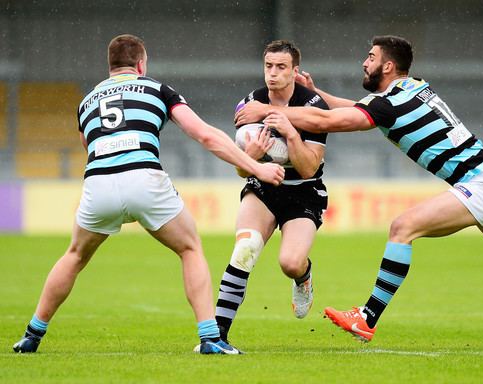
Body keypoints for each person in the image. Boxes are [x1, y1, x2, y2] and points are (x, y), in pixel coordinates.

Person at [235, 35, 483, 348]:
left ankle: (367, 317)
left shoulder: (389, 103)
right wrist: (318, 94)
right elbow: (358, 109)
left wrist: (269, 110)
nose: (364, 62)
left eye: (370, 57)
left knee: (403, 228)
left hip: (481, 184)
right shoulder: (412, 87)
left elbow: (332, 122)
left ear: (387, 65)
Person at [12, 34, 284, 355]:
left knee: (75, 255)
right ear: (141, 64)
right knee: (189, 248)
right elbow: (204, 135)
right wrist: (256, 166)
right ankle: (210, 338)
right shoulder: (156, 88)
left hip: (98, 182)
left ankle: (32, 334)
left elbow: (89, 145)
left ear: (110, 66)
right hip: (143, 177)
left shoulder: (87, 101)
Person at [214, 40, 329, 343]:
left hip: (304, 192)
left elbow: (308, 168)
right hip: (263, 188)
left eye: (281, 67)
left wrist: (291, 133)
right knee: (245, 249)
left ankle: (303, 279)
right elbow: (241, 169)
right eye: (268, 66)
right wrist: (250, 156)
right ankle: (216, 336)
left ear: (295, 71)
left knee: (290, 263)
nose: (273, 74)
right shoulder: (249, 104)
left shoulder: (314, 105)